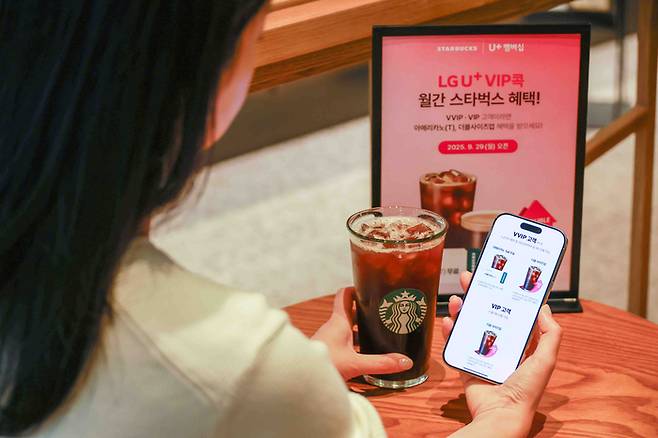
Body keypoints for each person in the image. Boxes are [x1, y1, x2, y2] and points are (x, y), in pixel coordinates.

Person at [0, 1, 562, 437]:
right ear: (205, 71)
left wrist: (298, 378)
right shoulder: (227, 358)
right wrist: (501, 416)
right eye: (259, 32)